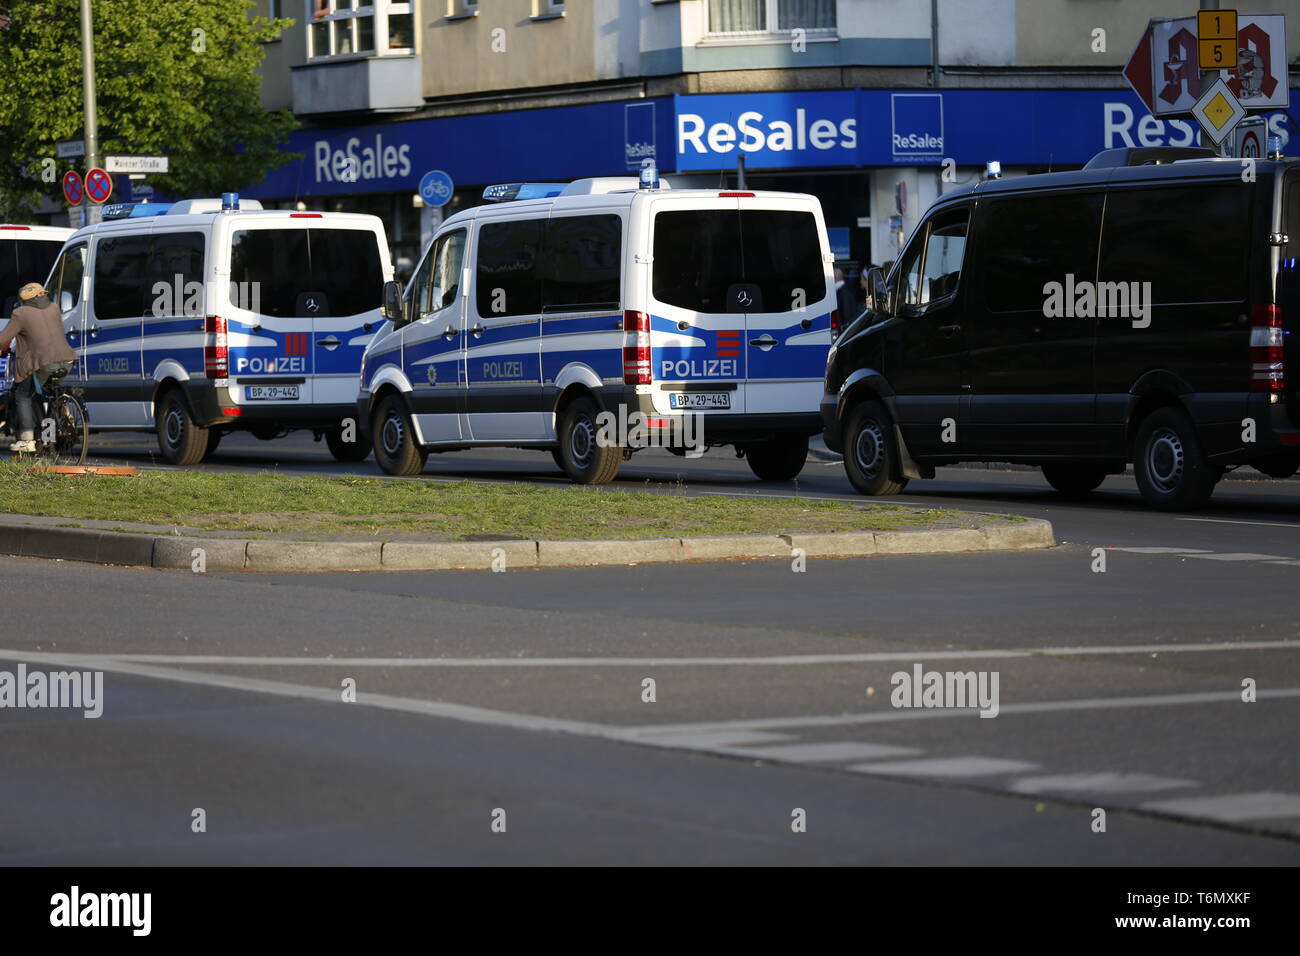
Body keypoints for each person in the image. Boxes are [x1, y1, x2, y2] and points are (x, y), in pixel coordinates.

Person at [0, 282, 77, 453]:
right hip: (67, 360)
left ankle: (27, 441)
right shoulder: (54, 308)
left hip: (43, 363)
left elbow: (4, 338)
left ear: (23, 300)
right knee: (48, 391)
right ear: (43, 294)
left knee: (23, 394)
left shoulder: (20, 313)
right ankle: (62, 411)